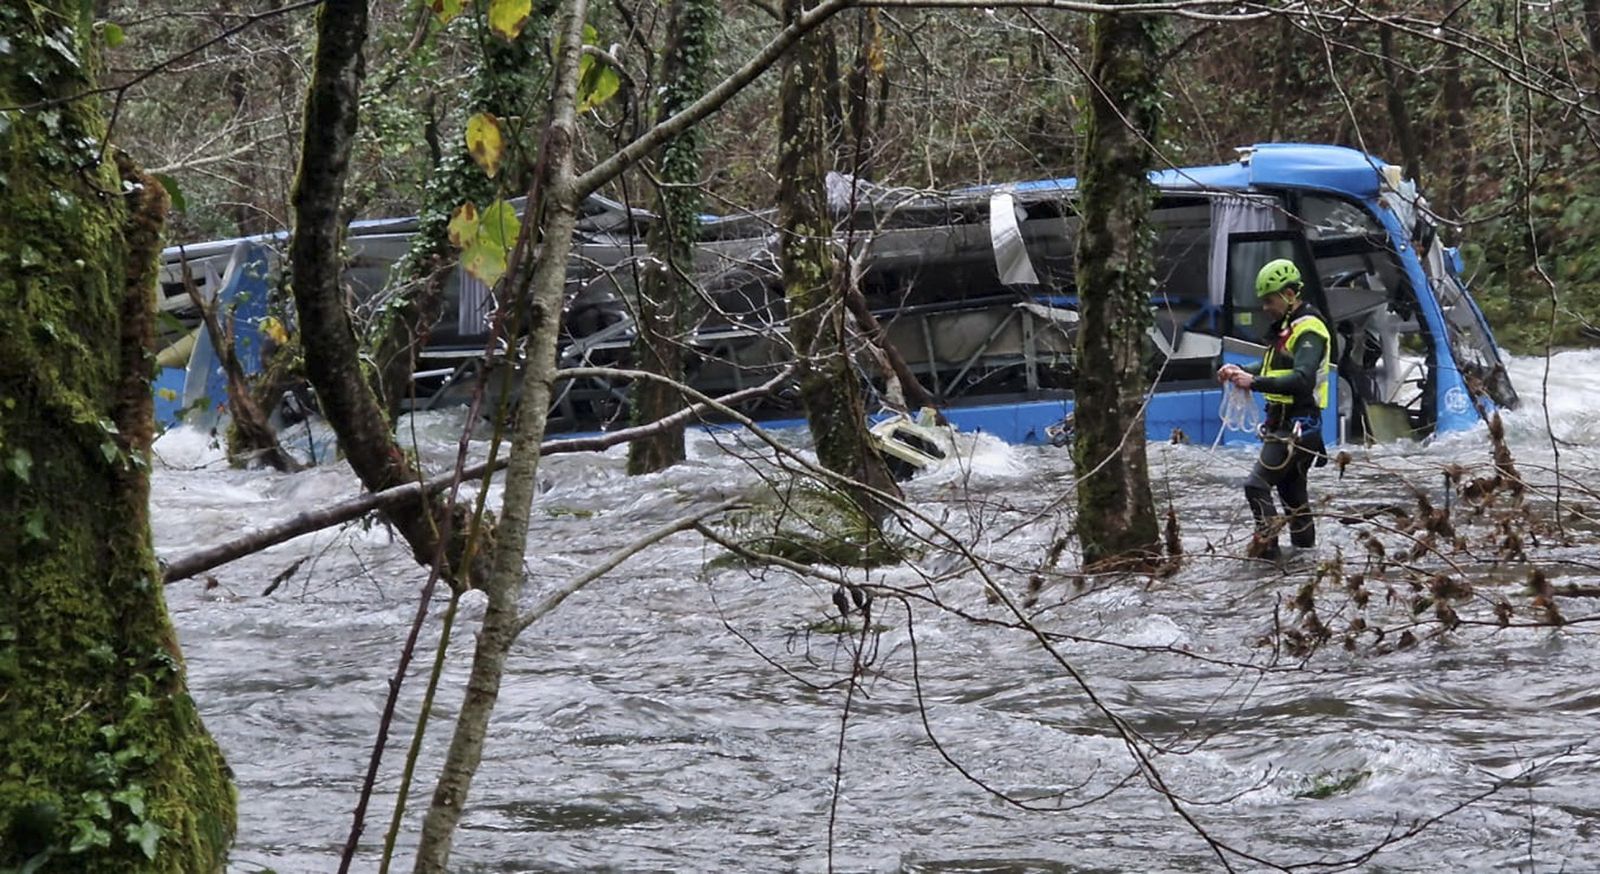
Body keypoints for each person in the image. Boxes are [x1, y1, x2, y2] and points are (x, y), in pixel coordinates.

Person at [1216, 258, 1332, 559]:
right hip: (1288, 425)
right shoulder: (1286, 328)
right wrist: (1239, 371)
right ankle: (1304, 563)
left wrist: (1253, 382)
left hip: (1298, 426)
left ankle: (1267, 555)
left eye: (1269, 300)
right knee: (1294, 500)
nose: (1265, 307)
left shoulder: (1309, 330)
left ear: (1289, 295)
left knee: (1256, 485)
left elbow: (1303, 379)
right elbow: (1272, 368)